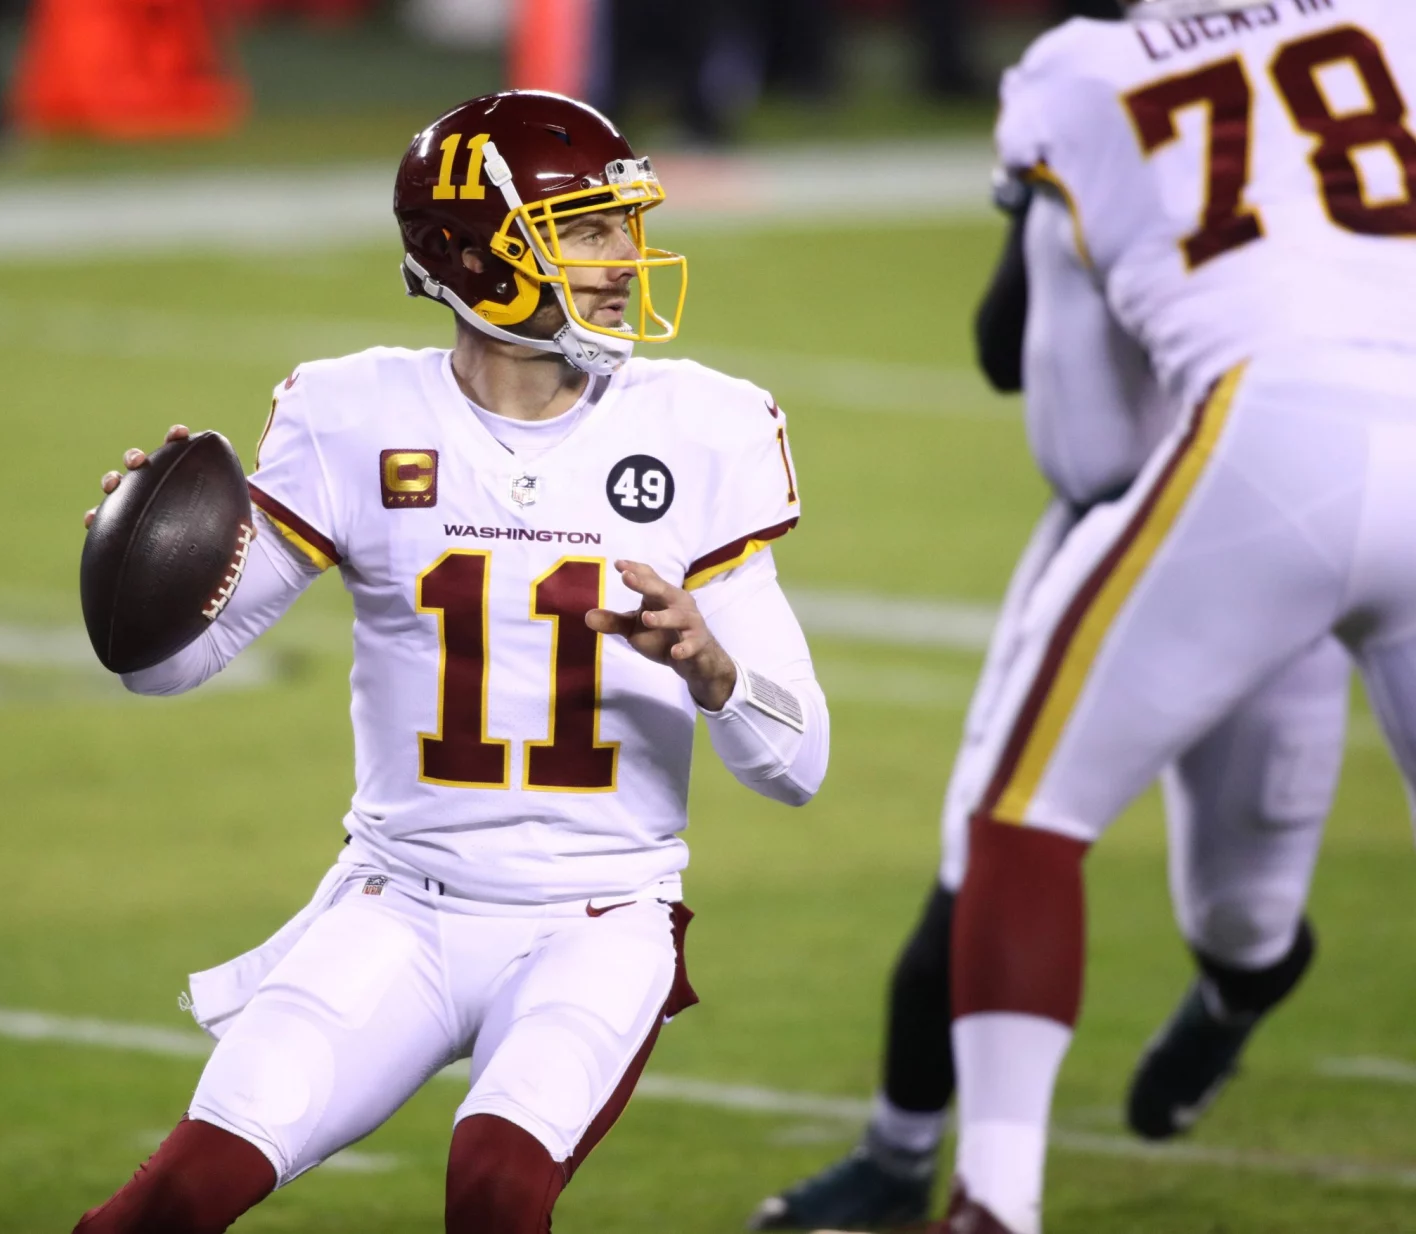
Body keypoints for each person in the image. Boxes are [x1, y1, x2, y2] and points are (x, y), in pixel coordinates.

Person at [70, 89, 831, 1234]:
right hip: (397, 909)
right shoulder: (354, 415)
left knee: (496, 1186)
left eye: (623, 225)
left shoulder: (699, 429)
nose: (623, 257)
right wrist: (137, 563)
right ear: (473, 255)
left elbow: (798, 763)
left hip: (600, 917)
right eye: (581, 229)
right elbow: (167, 668)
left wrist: (715, 672)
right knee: (171, 1201)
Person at [748, 112, 1352, 1232]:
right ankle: (904, 1156)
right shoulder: (1091, 103)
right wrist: (1046, 215)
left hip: (1264, 532)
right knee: (988, 843)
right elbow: (1000, 343)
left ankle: (1237, 988)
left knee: (1245, 912)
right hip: (1099, 536)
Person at [929, 0, 1416, 1229]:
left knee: (1025, 813)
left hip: (1273, 438)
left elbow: (1016, 338)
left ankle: (996, 1198)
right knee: (1231, 901)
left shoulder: (1078, 64)